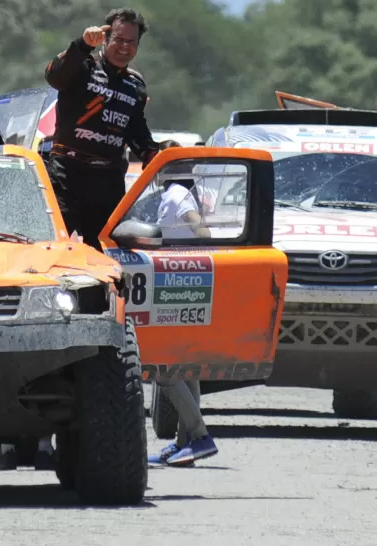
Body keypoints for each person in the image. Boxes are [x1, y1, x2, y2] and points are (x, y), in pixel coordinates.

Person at [44, 7, 160, 250]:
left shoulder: (135, 85)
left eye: (131, 41)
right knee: (53, 247)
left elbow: (136, 130)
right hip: (67, 175)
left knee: (108, 252)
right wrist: (83, 44)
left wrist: (153, 154)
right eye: (118, 39)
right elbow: (54, 76)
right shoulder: (83, 66)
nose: (124, 47)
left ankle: (102, 290)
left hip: (108, 182)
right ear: (105, 39)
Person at [147, 140, 218, 467]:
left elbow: (199, 230)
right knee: (187, 368)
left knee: (165, 368)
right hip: (188, 283)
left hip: (175, 285)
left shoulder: (176, 196)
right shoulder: (182, 195)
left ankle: (200, 435)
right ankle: (185, 442)